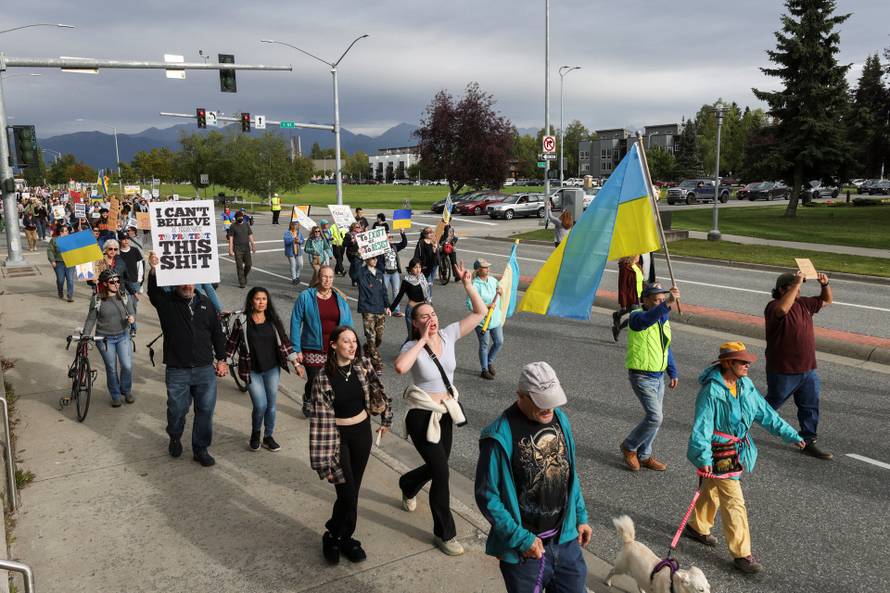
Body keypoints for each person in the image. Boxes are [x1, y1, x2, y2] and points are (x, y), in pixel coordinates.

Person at [686, 342, 805, 574]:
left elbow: (767, 414)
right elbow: (701, 426)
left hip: (737, 449)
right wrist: (703, 457)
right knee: (733, 500)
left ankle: (697, 526)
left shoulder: (746, 385)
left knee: (712, 487)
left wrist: (791, 435)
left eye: (747, 361)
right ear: (727, 363)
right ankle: (742, 554)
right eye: (742, 361)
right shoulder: (711, 390)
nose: (748, 364)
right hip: (718, 451)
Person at [393, 262, 486, 556]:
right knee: (442, 473)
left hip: (446, 412)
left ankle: (408, 483)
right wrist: (420, 340)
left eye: (432, 314)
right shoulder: (411, 346)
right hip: (423, 416)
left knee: (438, 467)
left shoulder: (448, 335)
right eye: (424, 317)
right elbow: (399, 368)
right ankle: (444, 533)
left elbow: (480, 313)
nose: (431, 319)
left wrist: (468, 285)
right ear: (415, 322)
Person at [475, 361, 592, 593]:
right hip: (526, 554)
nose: (549, 409)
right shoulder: (498, 435)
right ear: (522, 396)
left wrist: (580, 516)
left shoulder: (561, 420)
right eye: (542, 402)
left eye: (553, 400)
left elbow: (569, 474)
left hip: (566, 543)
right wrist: (521, 539)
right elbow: (487, 497)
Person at [310, 326, 392, 565]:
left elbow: (378, 390)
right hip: (337, 438)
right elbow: (319, 423)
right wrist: (324, 462)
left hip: (362, 434)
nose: (352, 345)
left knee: (353, 492)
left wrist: (386, 418)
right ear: (334, 345)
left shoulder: (363, 366)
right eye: (346, 341)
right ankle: (332, 535)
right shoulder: (323, 377)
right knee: (346, 493)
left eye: (354, 341)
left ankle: (345, 537)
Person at [147, 253, 228, 467]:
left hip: (204, 370)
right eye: (183, 280)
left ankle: (200, 449)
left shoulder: (206, 304)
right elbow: (153, 292)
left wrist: (221, 359)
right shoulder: (166, 303)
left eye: (191, 280)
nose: (187, 285)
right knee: (177, 410)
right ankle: (174, 435)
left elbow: (217, 334)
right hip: (177, 370)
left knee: (205, 411)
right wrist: (154, 269)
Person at [764, 271, 834, 460]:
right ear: (781, 289)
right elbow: (782, 310)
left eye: (800, 286)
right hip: (783, 370)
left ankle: (808, 440)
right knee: (766, 407)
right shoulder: (773, 307)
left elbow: (826, 301)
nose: (799, 290)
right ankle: (735, 428)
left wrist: (824, 284)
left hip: (808, 369)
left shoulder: (804, 304)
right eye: (795, 287)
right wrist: (795, 282)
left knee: (810, 407)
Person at [226, 287, 303, 452]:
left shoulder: (273, 320)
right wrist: (224, 361)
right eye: (257, 299)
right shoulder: (243, 320)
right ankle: (255, 433)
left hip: (272, 369)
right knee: (260, 405)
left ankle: (268, 437)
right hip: (252, 369)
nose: (261, 302)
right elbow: (232, 343)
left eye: (264, 299)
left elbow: (284, 341)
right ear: (251, 301)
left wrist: (295, 363)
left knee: (271, 405)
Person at [619, 282, 680, 472]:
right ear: (644, 301)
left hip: (658, 376)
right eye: (655, 300)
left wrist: (673, 371)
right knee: (655, 417)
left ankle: (644, 455)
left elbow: (665, 347)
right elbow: (647, 319)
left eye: (662, 299)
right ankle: (629, 447)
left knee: (656, 418)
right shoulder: (637, 317)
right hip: (641, 376)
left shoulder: (663, 318)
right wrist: (667, 303)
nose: (659, 303)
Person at [290, 265, 354, 418]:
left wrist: (350, 345)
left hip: (334, 348)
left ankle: (326, 408)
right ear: (318, 278)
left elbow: (348, 324)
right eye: (324, 277)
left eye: (330, 277)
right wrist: (296, 348)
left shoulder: (339, 298)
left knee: (333, 381)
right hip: (311, 347)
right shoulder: (306, 296)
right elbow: (295, 322)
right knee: (314, 381)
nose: (327, 280)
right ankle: (308, 397)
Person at [83, 269, 136, 407]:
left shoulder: (124, 296)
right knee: (111, 368)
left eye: (118, 281)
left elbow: (132, 313)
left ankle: (126, 390)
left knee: (127, 366)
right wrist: (86, 335)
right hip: (105, 339)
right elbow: (91, 319)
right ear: (105, 284)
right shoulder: (97, 299)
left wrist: (132, 318)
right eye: (112, 282)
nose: (116, 284)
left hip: (123, 336)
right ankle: (116, 395)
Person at [469, 259, 503, 380]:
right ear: (478, 270)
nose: (488, 269)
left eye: (488, 267)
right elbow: (470, 303)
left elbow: (500, 289)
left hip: (495, 319)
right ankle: (484, 369)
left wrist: (500, 291)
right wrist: (486, 306)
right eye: (485, 267)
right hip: (482, 321)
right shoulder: (474, 285)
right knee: (484, 345)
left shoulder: (493, 280)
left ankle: (489, 361)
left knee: (499, 342)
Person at [356, 254, 391, 372]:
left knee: (379, 337)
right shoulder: (362, 272)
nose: (375, 260)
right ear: (367, 259)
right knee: (371, 337)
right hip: (367, 309)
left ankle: (368, 349)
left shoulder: (380, 273)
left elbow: (384, 290)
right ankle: (377, 363)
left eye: (376, 258)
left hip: (380, 308)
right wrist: (360, 257)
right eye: (372, 258)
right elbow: (355, 270)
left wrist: (387, 305)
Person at [390, 257, 431, 337]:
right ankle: (406, 349)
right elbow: (399, 296)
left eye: (419, 267)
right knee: (412, 336)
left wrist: (434, 252)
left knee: (424, 334)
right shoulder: (406, 281)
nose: (418, 269)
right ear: (411, 268)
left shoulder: (422, 276)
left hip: (423, 308)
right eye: (415, 267)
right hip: (412, 310)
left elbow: (431, 265)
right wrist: (391, 309)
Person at [612, 255, 643, 341]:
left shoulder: (638, 266)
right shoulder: (625, 268)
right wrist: (623, 302)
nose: (639, 257)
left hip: (638, 296)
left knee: (631, 312)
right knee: (635, 317)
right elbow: (622, 286)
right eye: (638, 255)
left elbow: (641, 281)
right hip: (630, 296)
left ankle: (617, 315)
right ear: (632, 255)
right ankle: (618, 328)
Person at [379, 230, 408, 317]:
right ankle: (384, 308)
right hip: (385, 273)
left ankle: (396, 310)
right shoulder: (380, 248)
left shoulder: (394, 246)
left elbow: (404, 244)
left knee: (396, 291)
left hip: (395, 272)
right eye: (389, 237)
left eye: (391, 237)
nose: (391, 238)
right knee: (384, 292)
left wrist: (403, 233)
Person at [227, 211, 256, 288]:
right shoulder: (233, 226)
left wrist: (253, 245)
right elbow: (231, 238)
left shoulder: (246, 225)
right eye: (238, 218)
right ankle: (242, 282)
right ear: (236, 218)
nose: (240, 218)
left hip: (246, 247)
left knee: (249, 265)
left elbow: (250, 235)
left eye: (241, 217)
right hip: (237, 248)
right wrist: (230, 249)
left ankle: (244, 276)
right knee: (239, 266)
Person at [47, 223, 76, 302]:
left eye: (66, 231)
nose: (64, 233)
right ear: (59, 232)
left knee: (70, 279)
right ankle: (60, 292)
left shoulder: (72, 239)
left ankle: (70, 296)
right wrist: (52, 260)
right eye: (62, 231)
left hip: (70, 262)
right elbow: (50, 251)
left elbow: (79, 247)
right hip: (59, 263)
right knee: (60, 280)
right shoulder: (54, 240)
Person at [414, 226, 439, 292]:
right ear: (425, 234)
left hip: (434, 265)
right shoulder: (421, 242)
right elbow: (417, 254)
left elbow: (436, 253)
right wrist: (417, 264)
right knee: (429, 283)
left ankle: (426, 297)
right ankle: (428, 299)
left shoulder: (434, 241)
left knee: (430, 283)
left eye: (431, 232)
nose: (431, 234)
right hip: (426, 266)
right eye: (429, 232)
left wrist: (435, 248)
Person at [343, 222, 363, 287]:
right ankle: (356, 279)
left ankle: (353, 277)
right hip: (352, 253)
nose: (358, 228)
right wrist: (351, 242)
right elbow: (344, 244)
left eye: (359, 227)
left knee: (357, 266)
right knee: (357, 266)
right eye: (357, 227)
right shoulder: (348, 235)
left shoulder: (362, 234)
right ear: (353, 228)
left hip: (361, 253)